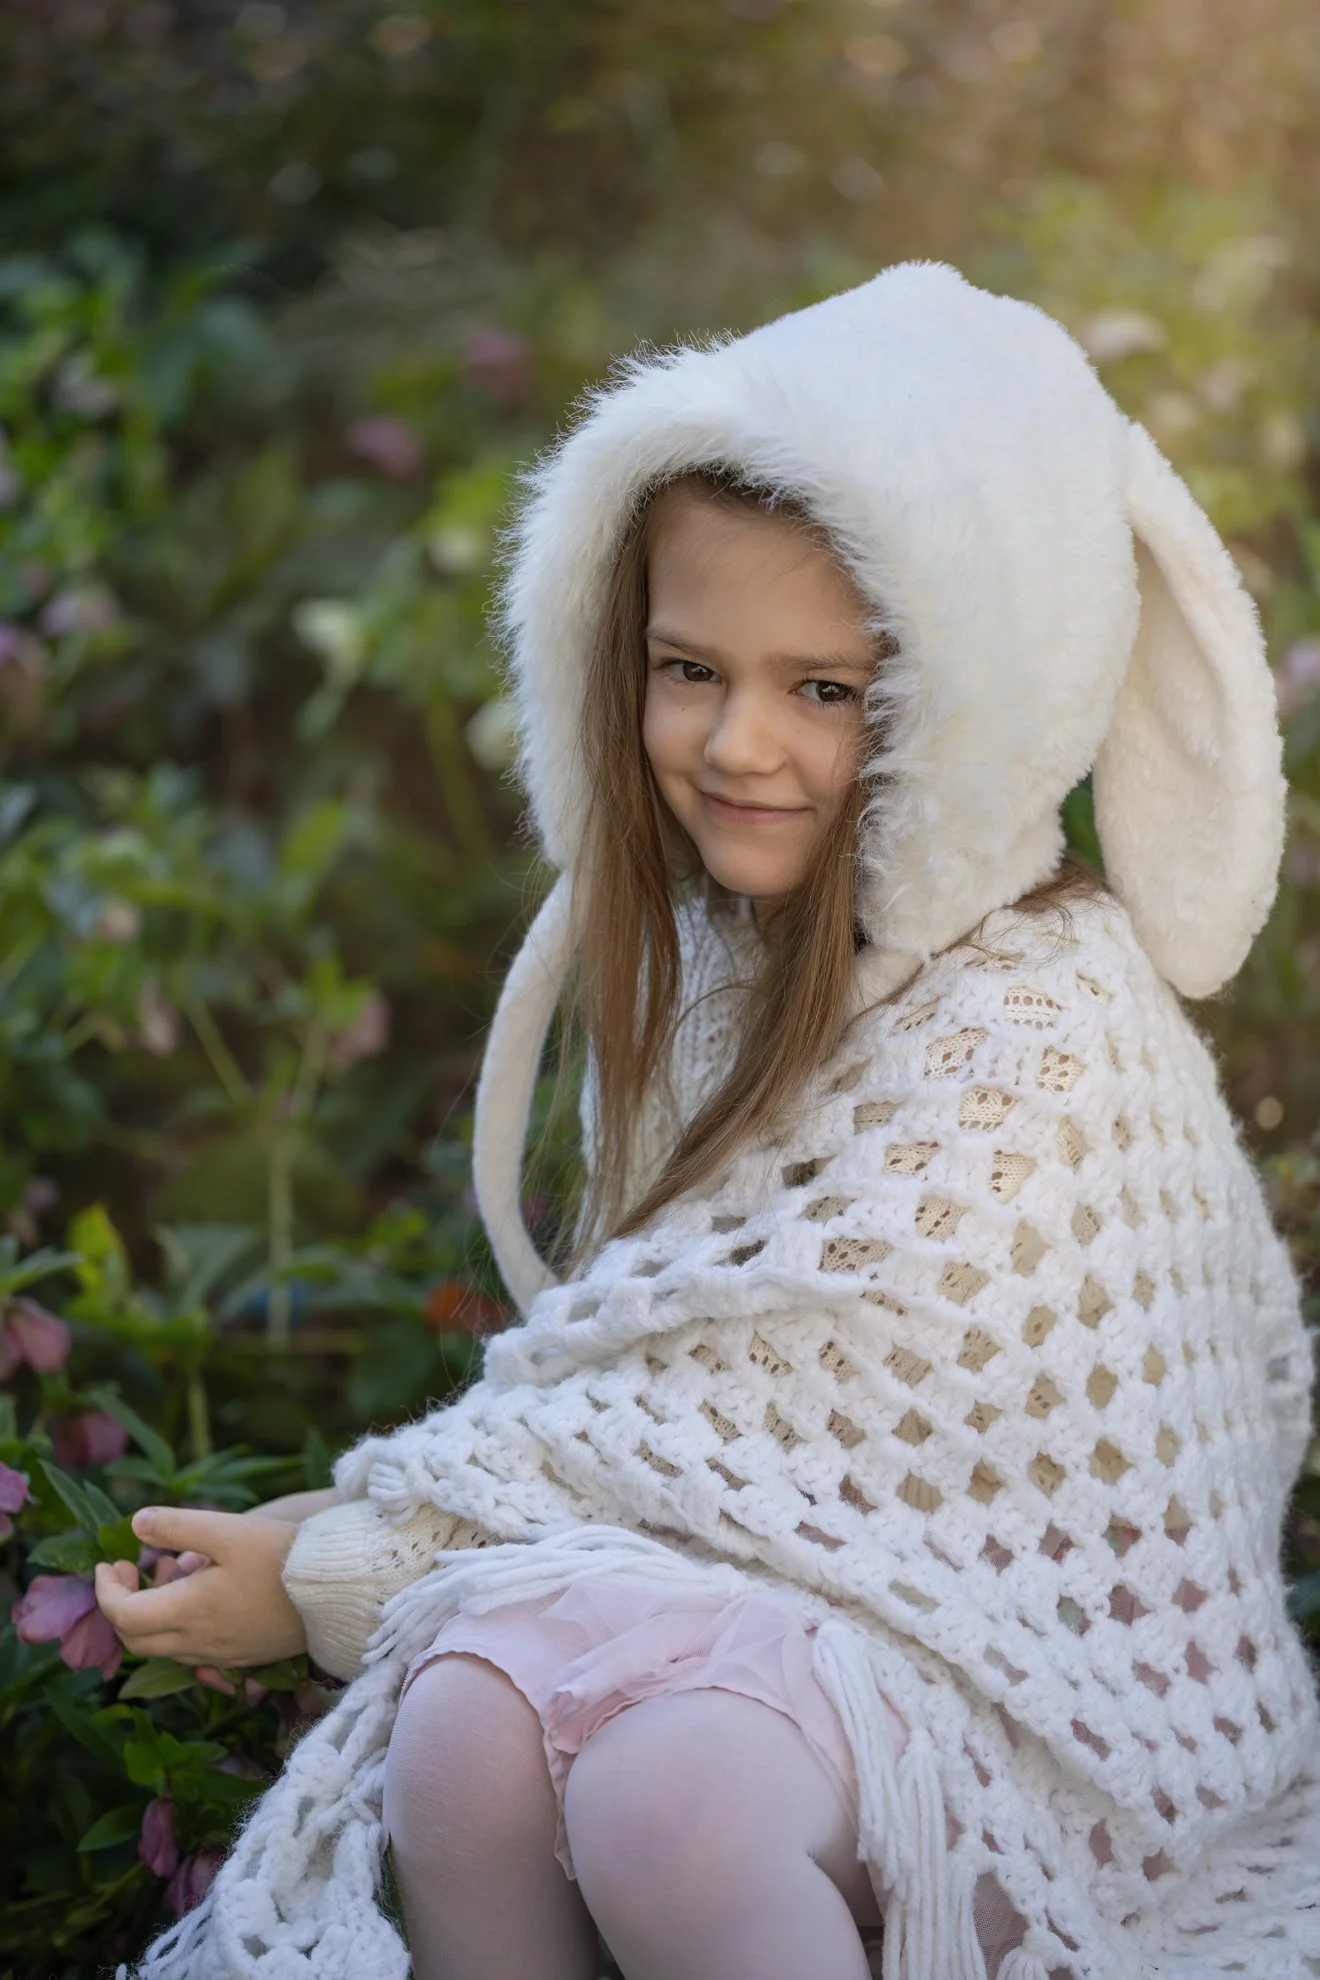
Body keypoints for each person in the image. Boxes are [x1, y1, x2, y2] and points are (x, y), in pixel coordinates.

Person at [98, 262, 1320, 1980]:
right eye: (691, 669)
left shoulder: (1044, 1035)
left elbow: (783, 1424)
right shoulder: (707, 972)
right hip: (778, 1623)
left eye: (825, 689)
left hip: (1040, 1711)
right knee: (466, 1719)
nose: (741, 742)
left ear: (980, 705)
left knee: (674, 1802)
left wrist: (339, 1567)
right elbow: (661, 1427)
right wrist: (335, 1542)